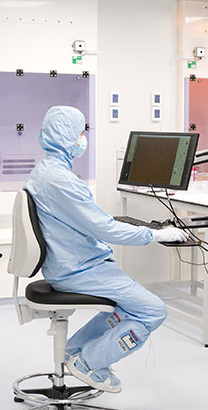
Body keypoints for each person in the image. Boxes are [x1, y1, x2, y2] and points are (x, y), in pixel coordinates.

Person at [23, 106, 187, 392]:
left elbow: (94, 223)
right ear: (68, 136)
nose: (83, 138)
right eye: (81, 132)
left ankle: (74, 351)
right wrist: (155, 234)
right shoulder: (60, 180)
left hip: (69, 264)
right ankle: (88, 363)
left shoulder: (46, 172)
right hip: (80, 269)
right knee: (152, 311)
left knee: (127, 306)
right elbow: (105, 229)